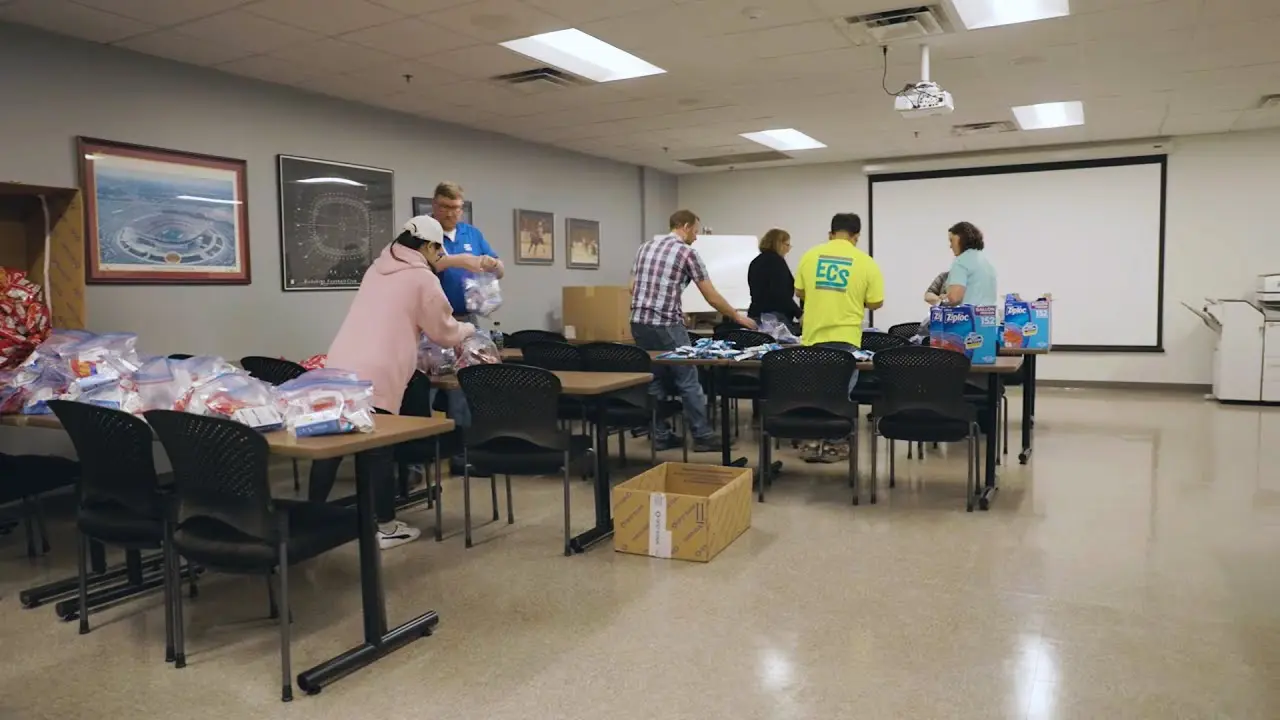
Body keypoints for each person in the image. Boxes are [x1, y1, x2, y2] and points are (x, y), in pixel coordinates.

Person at [308, 214, 476, 549]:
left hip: (340, 362)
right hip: (378, 370)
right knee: (378, 450)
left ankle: (311, 520)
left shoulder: (376, 269)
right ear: (428, 246)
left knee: (328, 448)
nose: (439, 257)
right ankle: (384, 525)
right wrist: (469, 329)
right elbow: (443, 332)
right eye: (438, 250)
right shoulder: (421, 280)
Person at [630, 209, 756, 452]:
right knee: (688, 378)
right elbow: (711, 296)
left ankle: (660, 435)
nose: (696, 238)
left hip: (638, 321)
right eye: (696, 232)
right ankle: (702, 436)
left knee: (653, 378)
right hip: (665, 323)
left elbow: (632, 288)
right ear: (685, 226)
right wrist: (736, 316)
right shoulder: (687, 253)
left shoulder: (644, 248)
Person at [793, 213, 884, 463]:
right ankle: (834, 445)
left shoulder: (810, 255)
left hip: (812, 337)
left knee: (812, 391)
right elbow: (876, 302)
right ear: (856, 236)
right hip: (845, 338)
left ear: (831, 233)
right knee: (840, 393)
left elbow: (799, 291)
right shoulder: (866, 262)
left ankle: (810, 443)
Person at [430, 181, 502, 431]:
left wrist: (494, 265)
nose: (450, 213)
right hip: (432, 321)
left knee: (466, 378)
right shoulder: (423, 234)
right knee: (433, 380)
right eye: (445, 206)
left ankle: (463, 440)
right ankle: (426, 443)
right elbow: (432, 266)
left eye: (456, 208)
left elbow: (499, 269)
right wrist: (460, 261)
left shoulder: (472, 234)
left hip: (467, 319)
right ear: (434, 205)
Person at [747, 228, 802, 329]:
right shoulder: (777, 262)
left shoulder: (755, 262)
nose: (788, 249)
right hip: (775, 320)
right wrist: (799, 314)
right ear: (779, 244)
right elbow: (782, 295)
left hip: (754, 316)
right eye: (787, 245)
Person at [943, 221, 997, 307]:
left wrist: (942, 298)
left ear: (960, 238)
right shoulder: (986, 261)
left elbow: (954, 298)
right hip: (989, 317)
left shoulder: (961, 261)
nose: (950, 246)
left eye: (951, 240)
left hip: (967, 318)